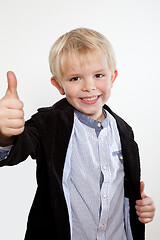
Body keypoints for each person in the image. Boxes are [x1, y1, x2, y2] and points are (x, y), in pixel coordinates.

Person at [0, 28, 155, 240]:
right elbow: (14, 150)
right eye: (75, 78)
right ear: (58, 85)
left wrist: (140, 207)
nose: (89, 87)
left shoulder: (124, 131)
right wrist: (4, 133)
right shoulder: (49, 123)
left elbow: (125, 191)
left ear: (113, 76)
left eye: (98, 75)